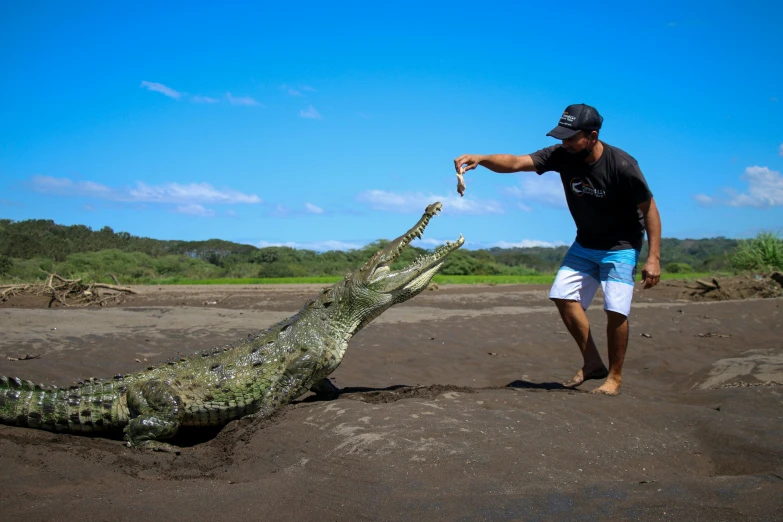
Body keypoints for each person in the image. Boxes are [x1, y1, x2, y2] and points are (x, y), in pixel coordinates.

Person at [454, 103, 661, 396]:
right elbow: (515, 162)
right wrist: (482, 158)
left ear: (592, 135)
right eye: (561, 137)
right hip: (586, 242)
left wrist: (653, 257)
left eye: (570, 137)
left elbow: (649, 209)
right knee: (562, 296)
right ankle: (592, 363)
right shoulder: (562, 156)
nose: (563, 143)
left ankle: (614, 377)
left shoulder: (623, 165)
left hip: (621, 245)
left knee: (616, 309)